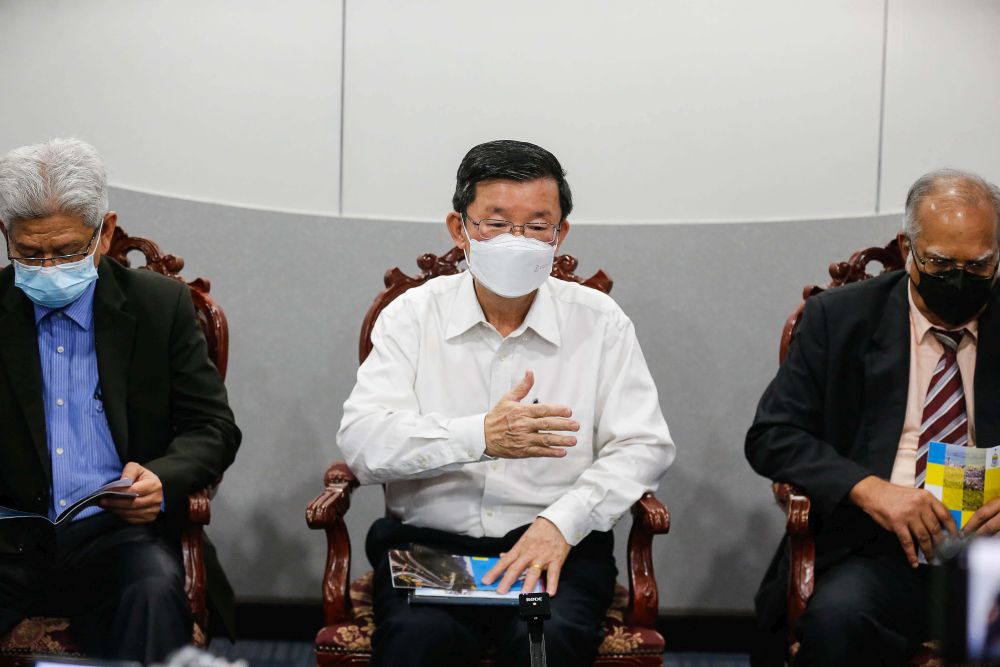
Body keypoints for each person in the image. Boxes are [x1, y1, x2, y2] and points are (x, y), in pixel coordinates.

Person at [338, 139, 675, 666]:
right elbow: (363, 443)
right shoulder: (412, 317)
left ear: (560, 233)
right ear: (460, 229)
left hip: (554, 547)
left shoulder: (600, 321)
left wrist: (563, 523)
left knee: (543, 645)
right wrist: (480, 437)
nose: (517, 240)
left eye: (537, 226)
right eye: (496, 223)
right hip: (432, 547)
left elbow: (643, 445)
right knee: (416, 646)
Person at [745, 168, 1000, 665]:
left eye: (979, 265)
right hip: (876, 546)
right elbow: (772, 436)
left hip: (991, 548)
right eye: (942, 263)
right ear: (908, 252)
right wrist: (871, 489)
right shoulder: (840, 319)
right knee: (839, 621)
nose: (960, 280)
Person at [0, 138, 241, 662]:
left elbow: (213, 428)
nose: (47, 268)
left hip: (114, 534)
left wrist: (163, 477)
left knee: (152, 593)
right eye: (28, 253)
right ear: (5, 236)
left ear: (105, 232)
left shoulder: (160, 307)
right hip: (9, 538)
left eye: (66, 251)